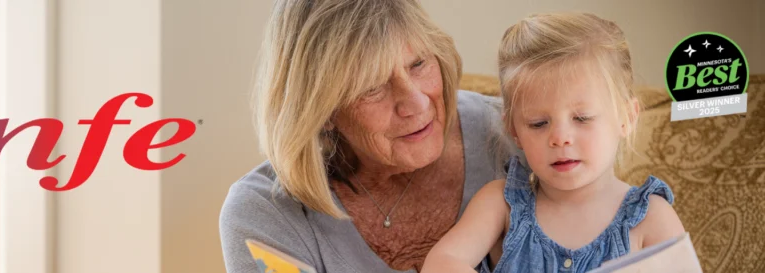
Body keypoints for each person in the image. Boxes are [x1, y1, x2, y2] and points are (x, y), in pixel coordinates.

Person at [218, 0, 516, 272]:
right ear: (322, 111)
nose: (417, 103)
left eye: (418, 64)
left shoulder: (520, 139)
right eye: (372, 87)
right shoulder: (266, 214)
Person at [421, 12, 687, 273]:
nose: (560, 138)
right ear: (514, 130)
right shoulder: (501, 205)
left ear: (626, 118)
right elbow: (440, 264)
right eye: (538, 123)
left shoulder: (652, 219)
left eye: (582, 118)